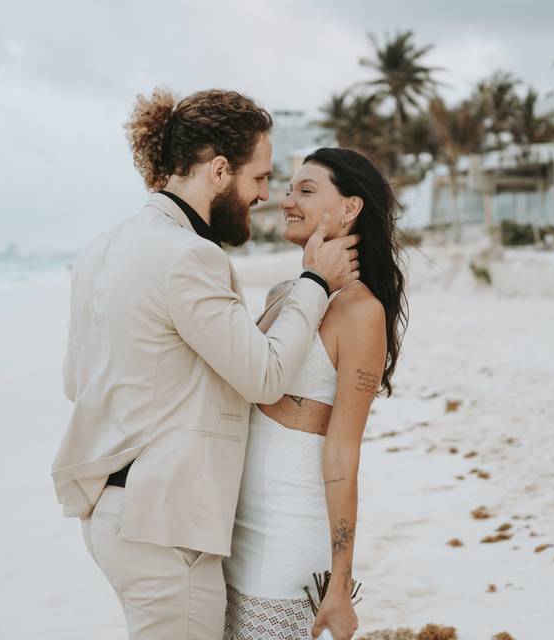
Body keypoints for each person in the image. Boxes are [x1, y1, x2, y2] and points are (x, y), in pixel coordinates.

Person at [51, 88, 360, 640]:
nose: (266, 195)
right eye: (260, 178)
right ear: (220, 170)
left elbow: (76, 381)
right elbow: (265, 375)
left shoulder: (101, 246)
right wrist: (315, 282)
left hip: (109, 514)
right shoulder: (189, 255)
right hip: (164, 524)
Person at [223, 148, 408, 640]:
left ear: (350, 208)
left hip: (289, 527)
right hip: (234, 523)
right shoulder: (286, 293)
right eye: (287, 189)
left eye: (306, 190)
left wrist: (341, 582)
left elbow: (343, 453)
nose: (287, 200)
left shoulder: (361, 311)